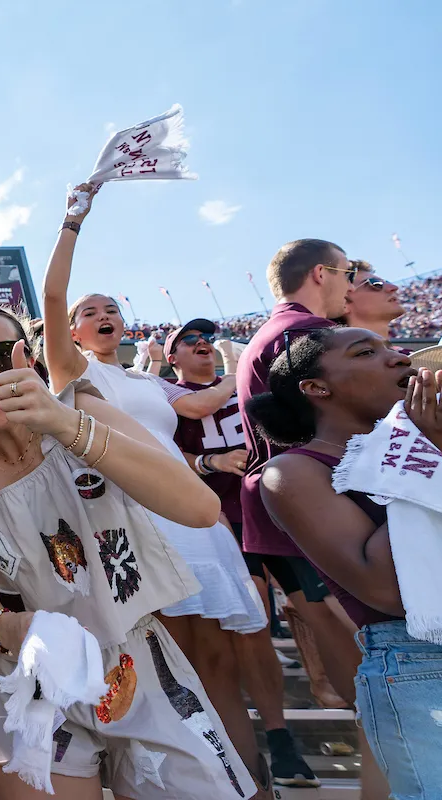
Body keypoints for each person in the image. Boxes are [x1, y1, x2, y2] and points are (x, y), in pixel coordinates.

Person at [0, 302, 255, 799]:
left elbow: (199, 507)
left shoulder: (81, 410)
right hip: (32, 683)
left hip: (140, 665)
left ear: (29, 358)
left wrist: (63, 424)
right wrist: (21, 628)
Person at [41, 185, 268, 729]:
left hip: (190, 514)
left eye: (112, 309)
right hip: (131, 512)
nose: (104, 315)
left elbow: (201, 404)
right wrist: (72, 222)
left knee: (217, 662)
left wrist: (241, 363)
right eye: (89, 311)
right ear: (72, 330)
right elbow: (51, 299)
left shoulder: (148, 381)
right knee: (166, 660)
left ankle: (249, 782)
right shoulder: (73, 370)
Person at [249, 327, 442, 799]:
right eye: (366, 352)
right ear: (317, 388)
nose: (398, 358)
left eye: (393, 348)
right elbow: (385, 588)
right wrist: (426, 451)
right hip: (419, 664)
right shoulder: (292, 472)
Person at [166, 319, 317, 789]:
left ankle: (282, 733)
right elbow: (162, 455)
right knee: (251, 624)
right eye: (189, 341)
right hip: (219, 521)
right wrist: (211, 462)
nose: (202, 345)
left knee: (319, 612)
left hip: (274, 510)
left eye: (206, 338)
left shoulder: (245, 384)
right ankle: (263, 745)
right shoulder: (168, 398)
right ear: (172, 358)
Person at [235, 240, 363, 707]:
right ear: (320, 273)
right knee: (372, 670)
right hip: (322, 508)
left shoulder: (270, 334)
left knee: (365, 689)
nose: (350, 286)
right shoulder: (307, 332)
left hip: (288, 507)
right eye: (347, 273)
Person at [340, 260, 405, 341]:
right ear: (344, 304)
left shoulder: (408, 353)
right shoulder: (334, 353)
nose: (393, 287)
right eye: (376, 284)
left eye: (387, 282)